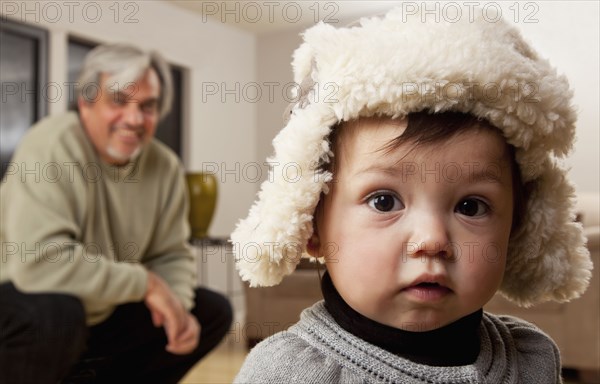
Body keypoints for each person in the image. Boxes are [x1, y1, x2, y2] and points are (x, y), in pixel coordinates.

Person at [230, 8, 593, 383]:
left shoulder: (532, 360)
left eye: (470, 206)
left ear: (518, 226)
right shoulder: (286, 374)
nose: (432, 240)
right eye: (384, 201)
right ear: (311, 222)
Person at [0, 43, 232, 383]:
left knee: (210, 312)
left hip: (98, 307)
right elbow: (39, 265)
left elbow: (171, 255)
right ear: (86, 103)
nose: (135, 119)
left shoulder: (164, 165)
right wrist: (146, 285)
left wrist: (175, 308)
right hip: (18, 297)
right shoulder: (51, 144)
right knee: (56, 315)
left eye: (148, 106)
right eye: (119, 101)